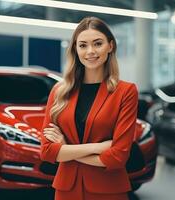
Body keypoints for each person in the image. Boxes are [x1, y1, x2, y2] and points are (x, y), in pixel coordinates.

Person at [40, 16, 138, 200]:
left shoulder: (126, 92)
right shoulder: (59, 91)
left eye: (97, 43)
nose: (90, 51)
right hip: (66, 190)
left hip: (108, 190)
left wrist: (66, 149)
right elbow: (47, 152)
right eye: (83, 45)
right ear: (75, 50)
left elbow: (118, 157)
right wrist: (99, 147)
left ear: (110, 46)